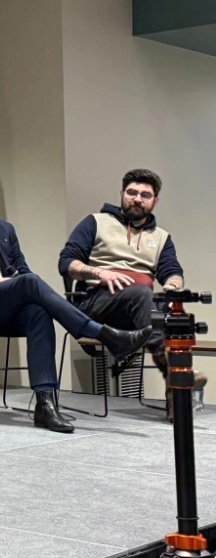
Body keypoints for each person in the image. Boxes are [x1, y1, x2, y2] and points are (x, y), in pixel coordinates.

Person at [0, 165, 152, 434]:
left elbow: (22, 269)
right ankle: (102, 334)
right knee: (30, 283)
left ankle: (45, 406)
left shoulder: (4, 229)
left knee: (38, 311)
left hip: (2, 305)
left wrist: (15, 283)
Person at [58, 168, 201, 421]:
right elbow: (67, 261)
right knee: (142, 295)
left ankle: (175, 392)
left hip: (138, 309)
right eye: (131, 192)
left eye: (145, 195)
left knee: (174, 311)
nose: (137, 198)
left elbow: (172, 270)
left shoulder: (161, 237)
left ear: (154, 201)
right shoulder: (96, 222)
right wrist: (99, 273)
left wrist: (173, 285)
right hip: (95, 303)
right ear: (122, 194)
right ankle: (177, 375)